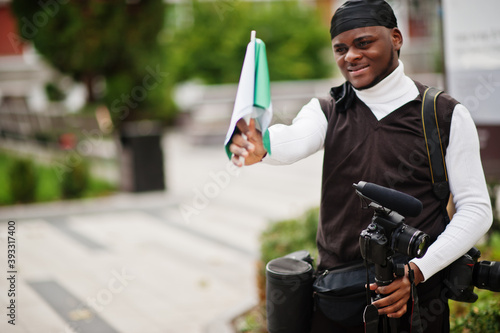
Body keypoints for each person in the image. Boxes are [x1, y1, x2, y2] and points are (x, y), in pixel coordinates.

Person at [228, 0, 493, 332]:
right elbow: (296, 138)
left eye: (363, 43)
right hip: (336, 298)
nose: (350, 56)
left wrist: (418, 270)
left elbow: (477, 209)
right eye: (340, 48)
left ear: (396, 38)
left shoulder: (444, 113)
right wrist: (262, 146)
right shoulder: (328, 108)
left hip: (417, 300)